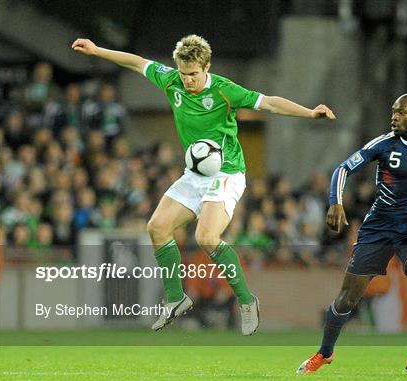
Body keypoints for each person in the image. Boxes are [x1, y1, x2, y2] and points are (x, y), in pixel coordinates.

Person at [72, 34, 336, 335]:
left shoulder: (225, 91)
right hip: (195, 174)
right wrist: (96, 51)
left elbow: (270, 104)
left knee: (207, 237)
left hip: (226, 172)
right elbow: (136, 63)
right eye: (184, 74)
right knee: (157, 227)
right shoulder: (170, 80)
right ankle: (175, 299)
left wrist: (309, 111)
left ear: (206, 67)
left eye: (193, 74)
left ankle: (247, 301)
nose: (187, 80)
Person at [297, 93, 407, 375]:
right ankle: (324, 353)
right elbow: (342, 169)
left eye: (401, 113)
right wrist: (335, 203)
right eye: (393, 111)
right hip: (378, 227)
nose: (394, 117)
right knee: (348, 298)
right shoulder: (383, 144)